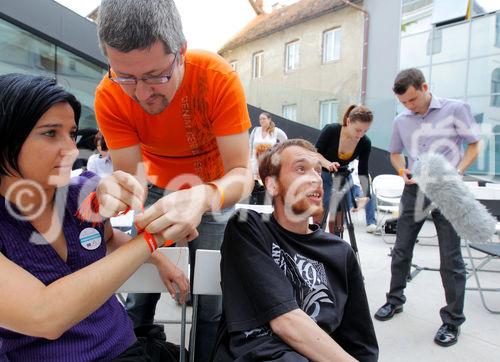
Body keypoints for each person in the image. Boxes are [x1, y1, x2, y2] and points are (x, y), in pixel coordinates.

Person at [94, 0, 253, 359]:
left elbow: (242, 173)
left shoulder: (215, 76)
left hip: (213, 189)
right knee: (139, 291)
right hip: (154, 189)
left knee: (210, 298)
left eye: (155, 76)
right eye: (125, 76)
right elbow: (132, 181)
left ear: (180, 51)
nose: (140, 93)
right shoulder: (109, 94)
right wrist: (154, 251)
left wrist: (202, 198)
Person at [0, 73, 188, 361]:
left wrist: (160, 260)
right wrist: (154, 238)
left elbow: (110, 240)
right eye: (51, 133)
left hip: (124, 346)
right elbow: (45, 315)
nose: (73, 149)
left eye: (72, 134)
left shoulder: (81, 193)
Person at [212, 139, 379, 362]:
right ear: (272, 185)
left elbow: (361, 344)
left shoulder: (340, 252)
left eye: (318, 171)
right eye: (301, 169)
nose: (316, 178)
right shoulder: (249, 228)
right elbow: (285, 322)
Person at [373, 68, 481, 347]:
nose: (409, 106)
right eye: (404, 103)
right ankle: (395, 300)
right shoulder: (401, 120)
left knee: (451, 258)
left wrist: (458, 171)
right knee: (401, 249)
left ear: (424, 87)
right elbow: (395, 153)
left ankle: (452, 321)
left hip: (446, 189)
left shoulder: (456, 109)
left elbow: (474, 145)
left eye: (413, 100)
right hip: (414, 191)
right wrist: (401, 171)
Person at [313, 105, 373, 235]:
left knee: (337, 222)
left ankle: (335, 247)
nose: (360, 135)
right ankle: (316, 243)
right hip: (323, 175)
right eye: (358, 130)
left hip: (343, 176)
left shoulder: (365, 142)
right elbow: (315, 153)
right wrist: (327, 163)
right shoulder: (332, 129)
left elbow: (363, 169)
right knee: (320, 215)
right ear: (348, 121)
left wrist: (366, 195)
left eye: (365, 131)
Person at [249, 112, 288, 178]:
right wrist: (249, 161)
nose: (261, 120)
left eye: (264, 119)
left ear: (269, 120)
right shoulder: (255, 130)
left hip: (269, 163)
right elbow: (250, 145)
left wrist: (278, 152)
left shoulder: (275, 131)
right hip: (255, 164)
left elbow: (285, 140)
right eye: (260, 119)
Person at [346, 159, 377, 233]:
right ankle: (343, 221)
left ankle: (371, 223)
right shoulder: (343, 163)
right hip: (347, 186)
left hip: (359, 186)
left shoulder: (359, 163)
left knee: (370, 195)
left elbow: (367, 177)